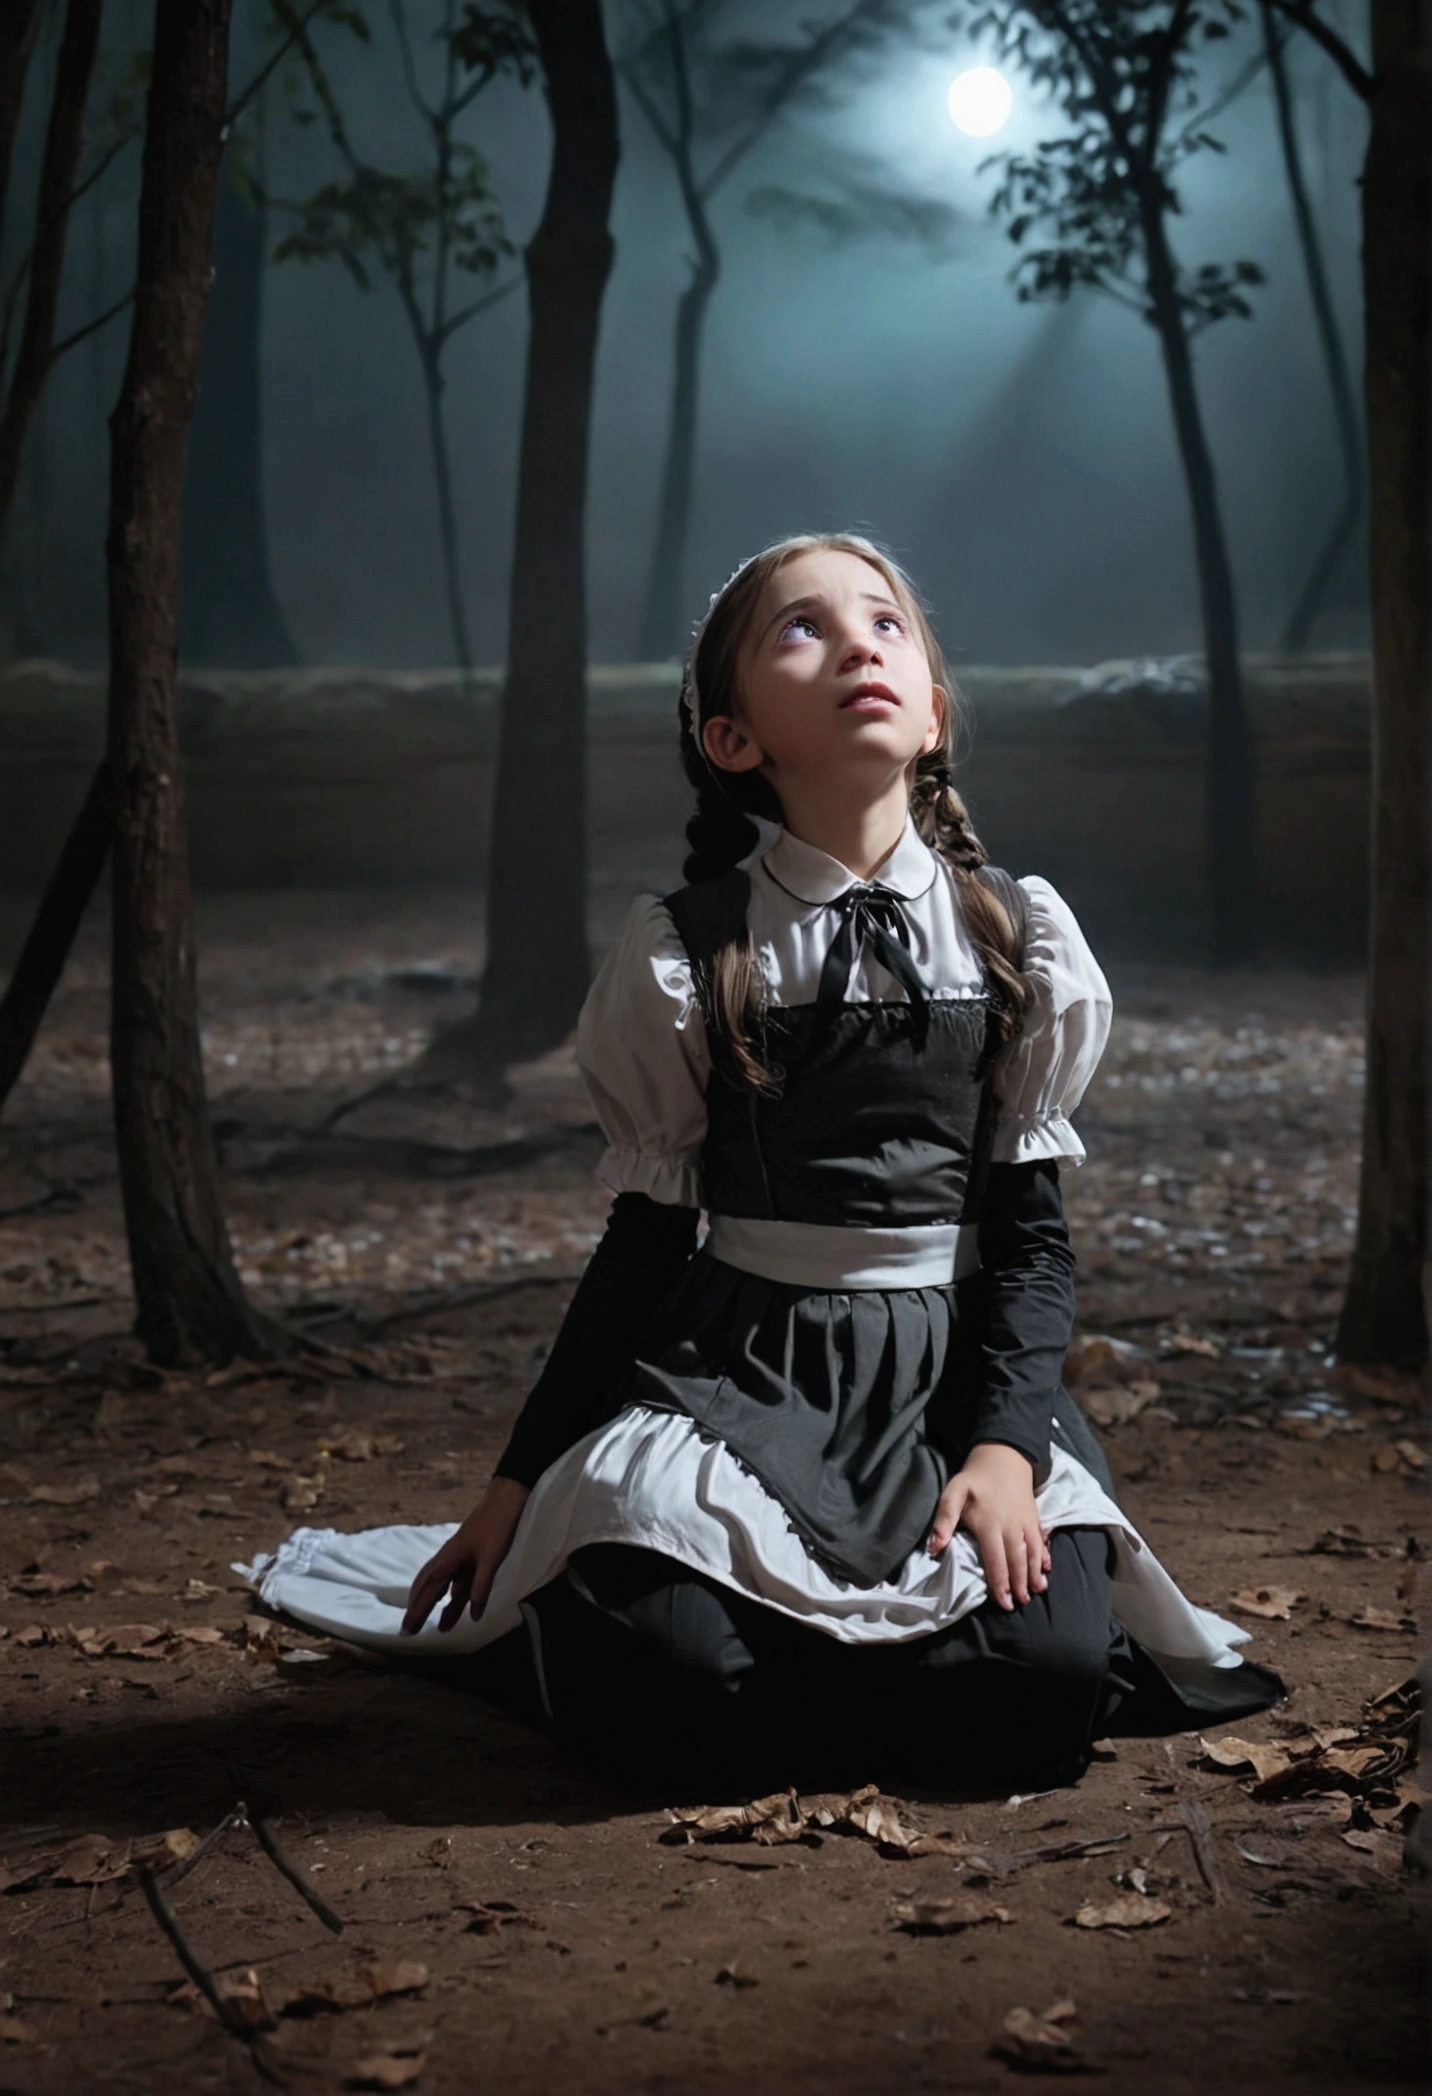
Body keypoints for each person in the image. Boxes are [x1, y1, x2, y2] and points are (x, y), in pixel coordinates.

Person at [241, 533, 1282, 1795]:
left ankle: (838, 1674)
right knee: (663, 1678)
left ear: (935, 714)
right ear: (733, 739)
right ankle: (702, 1651)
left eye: (886, 624)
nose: (857, 643)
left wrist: (1006, 1452)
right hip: (740, 1367)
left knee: (1043, 1687)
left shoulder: (1016, 935)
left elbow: (1032, 1241)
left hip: (951, 1377)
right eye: (803, 628)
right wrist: (518, 1482)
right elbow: (641, 1242)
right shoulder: (693, 950)